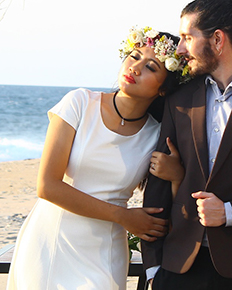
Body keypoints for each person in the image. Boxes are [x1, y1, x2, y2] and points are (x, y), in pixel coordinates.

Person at [6, 26, 186, 290]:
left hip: (105, 251)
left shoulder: (157, 135)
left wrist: (177, 176)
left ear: (163, 89)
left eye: (151, 67)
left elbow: (174, 205)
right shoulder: (79, 103)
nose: (135, 67)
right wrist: (123, 216)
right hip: (51, 239)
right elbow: (47, 186)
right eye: (134, 56)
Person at [142, 0, 232, 289]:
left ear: (217, 39)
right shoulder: (178, 100)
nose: (180, 49)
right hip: (179, 267)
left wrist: (228, 213)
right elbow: (157, 190)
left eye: (188, 37)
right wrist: (154, 267)